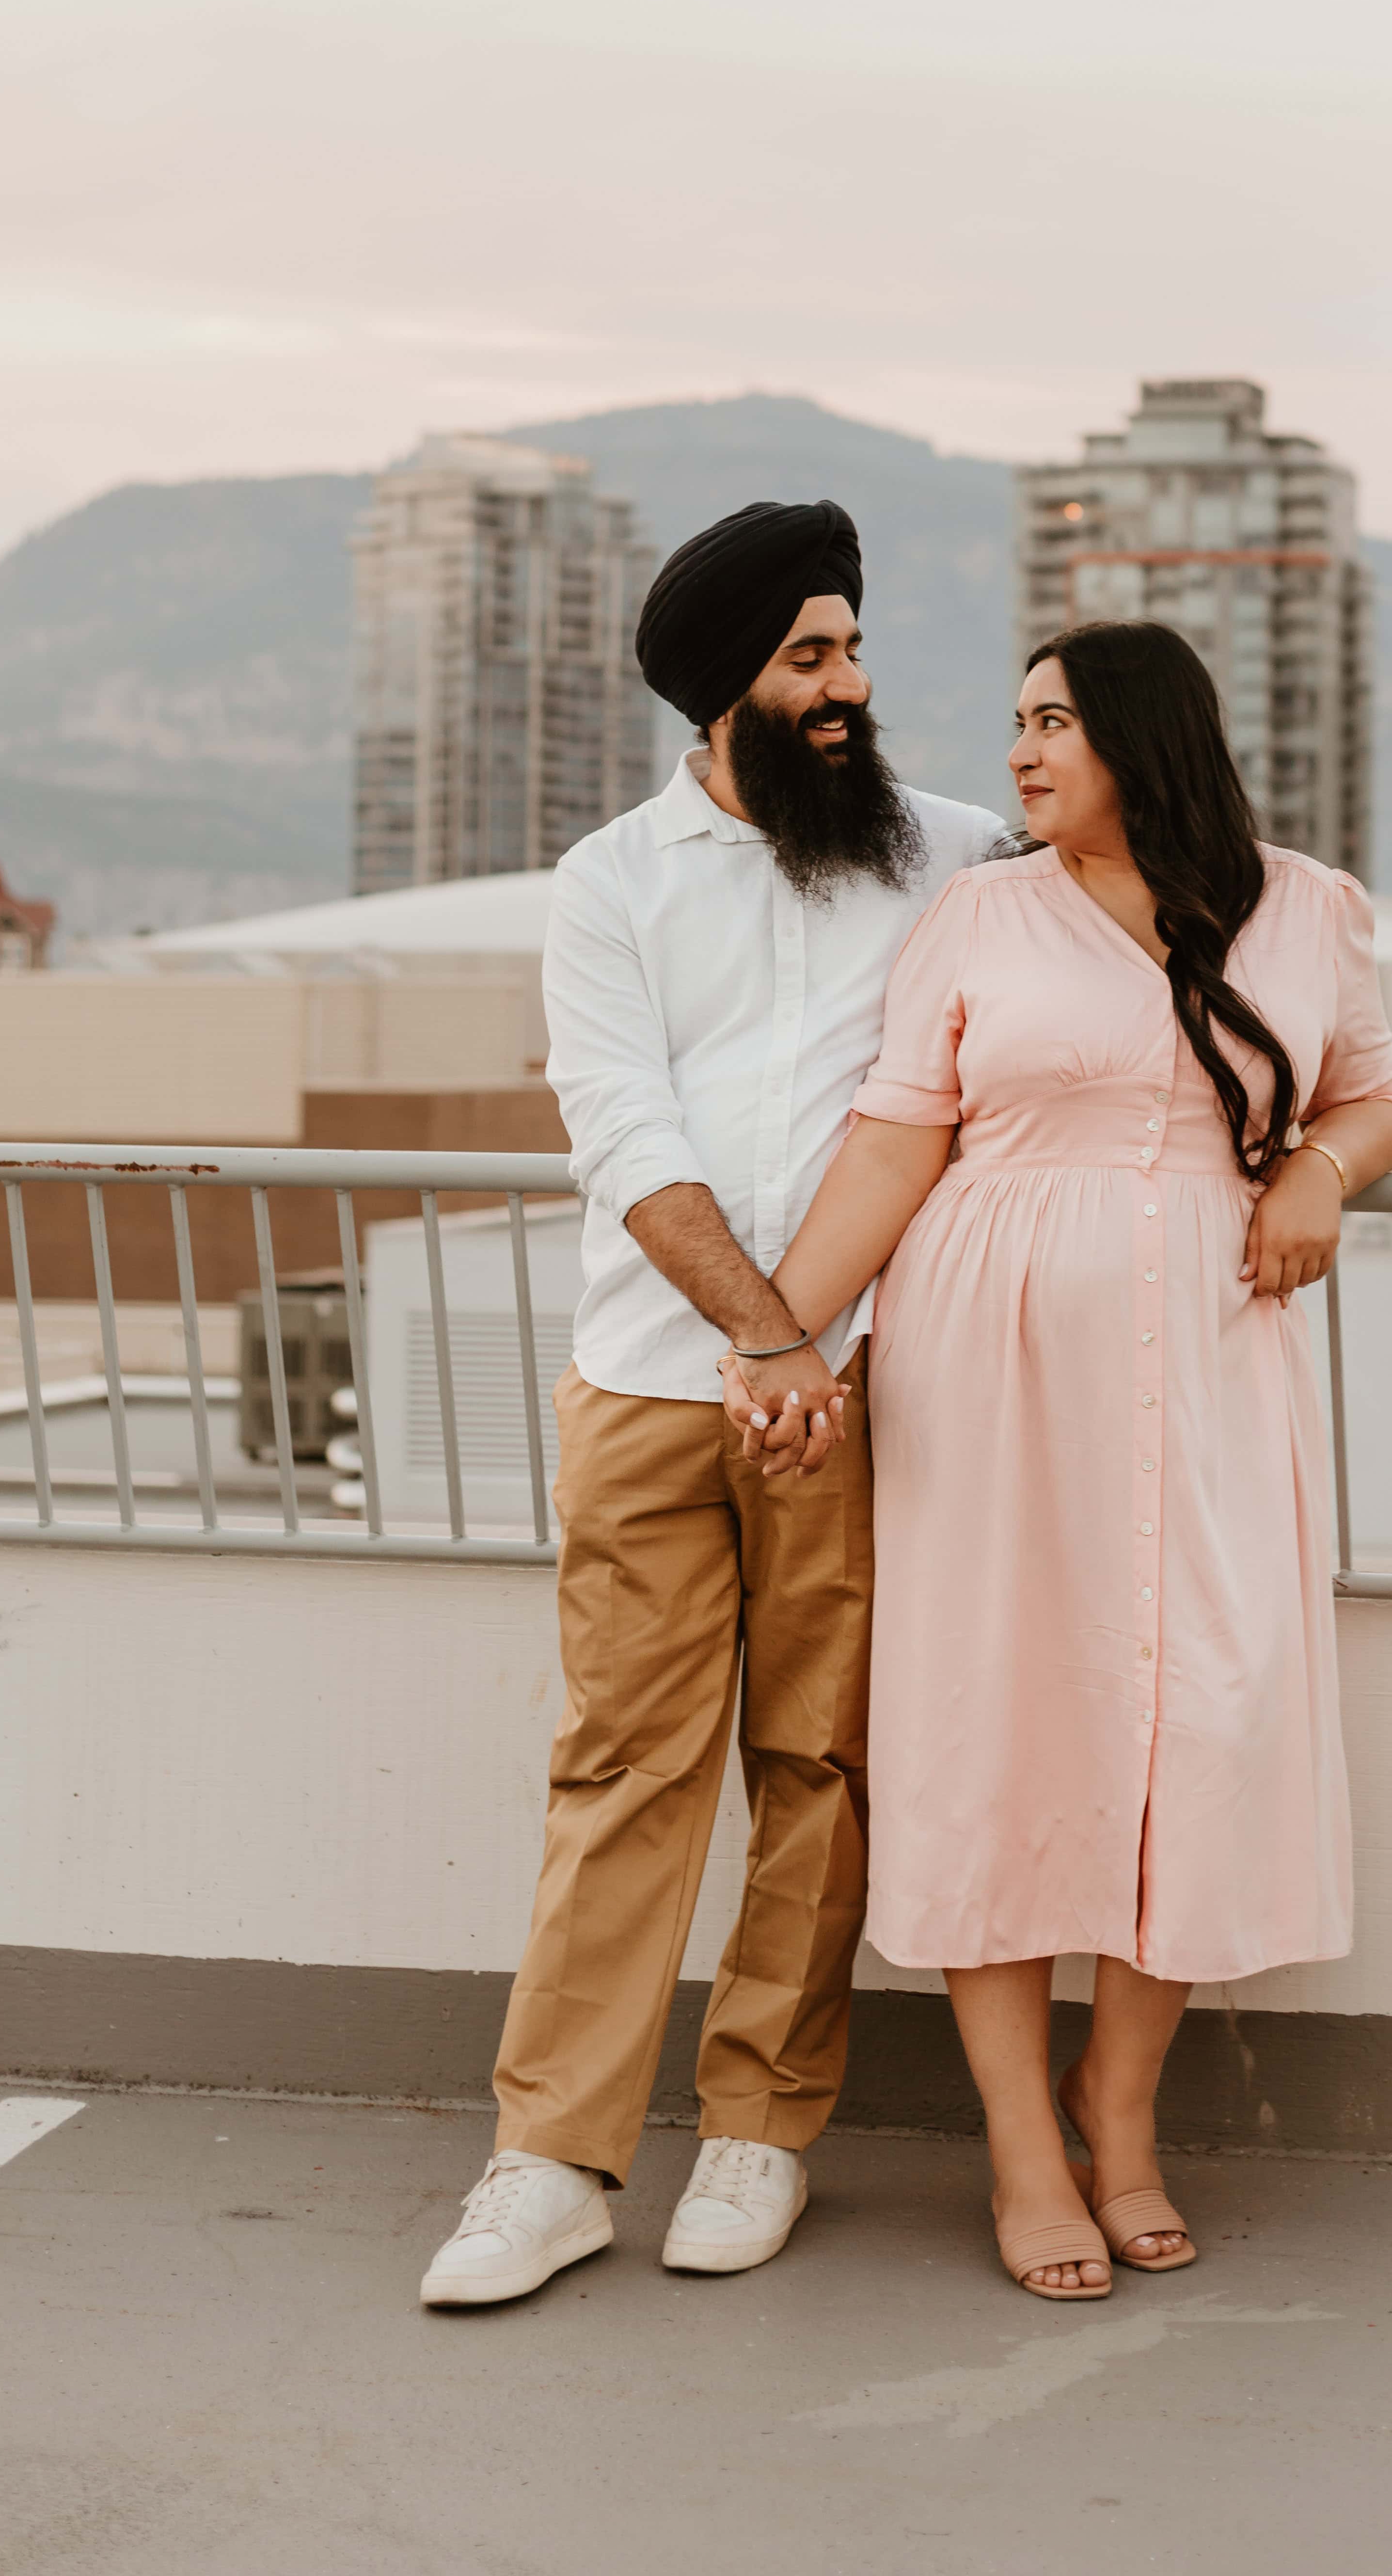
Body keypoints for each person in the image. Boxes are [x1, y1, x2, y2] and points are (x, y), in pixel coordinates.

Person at [764, 619, 1392, 2300]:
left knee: (1200, 1723)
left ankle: (1118, 2113)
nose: (1018, 755)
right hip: (992, 1379)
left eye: (1052, 722)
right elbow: (892, 1143)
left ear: (1145, 736)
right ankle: (1022, 2155)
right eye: (1014, 724)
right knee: (1003, 1726)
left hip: (1215, 1379)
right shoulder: (978, 917)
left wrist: (1316, 1180)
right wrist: (780, 1336)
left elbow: (1374, 1098)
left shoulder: (1308, 908)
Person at [420, 497, 1006, 2311]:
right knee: (621, 1771)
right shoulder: (613, 880)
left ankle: (762, 2131)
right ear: (723, 691)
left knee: (818, 1771)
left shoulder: (961, 858)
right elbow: (626, 1134)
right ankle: (551, 2165)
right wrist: (768, 1344)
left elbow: (1173, 890)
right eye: (809, 659)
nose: (850, 687)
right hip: (658, 1388)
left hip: (863, 1400)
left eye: (852, 650)